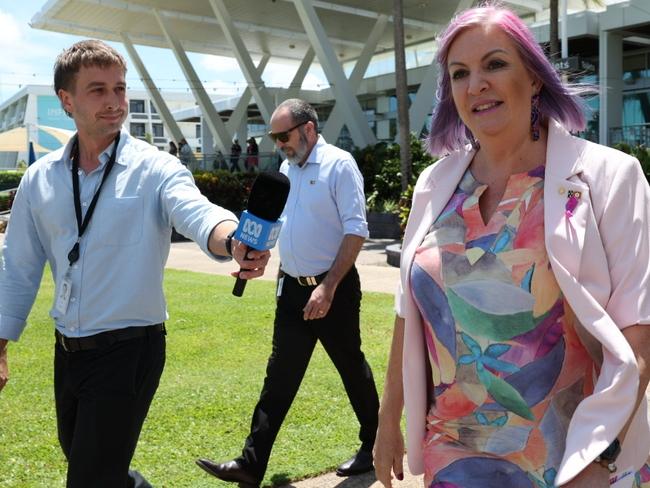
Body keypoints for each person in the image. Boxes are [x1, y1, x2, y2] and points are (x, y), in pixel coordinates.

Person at [373, 6, 650, 488]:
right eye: (459, 73)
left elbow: (638, 335)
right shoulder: (433, 185)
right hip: (452, 457)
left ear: (535, 79)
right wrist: (387, 422)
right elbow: (407, 313)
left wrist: (603, 459)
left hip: (569, 457)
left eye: (494, 64)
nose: (475, 83)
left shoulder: (610, 177)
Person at [0, 39, 270, 488]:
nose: (115, 102)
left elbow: (198, 213)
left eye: (120, 89)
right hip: (67, 351)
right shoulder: (40, 178)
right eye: (98, 90)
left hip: (129, 349)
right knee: (94, 465)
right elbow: (18, 265)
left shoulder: (155, 168)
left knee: (89, 478)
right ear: (66, 100)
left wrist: (233, 239)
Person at [196, 98, 380, 486]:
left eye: (284, 136)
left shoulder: (339, 165)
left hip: (334, 291)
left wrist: (328, 287)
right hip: (292, 291)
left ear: (309, 129)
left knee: (351, 367)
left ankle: (374, 445)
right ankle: (250, 464)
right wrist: (261, 258)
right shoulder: (285, 170)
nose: (278, 144)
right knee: (278, 378)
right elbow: (282, 226)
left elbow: (356, 230)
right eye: (274, 137)